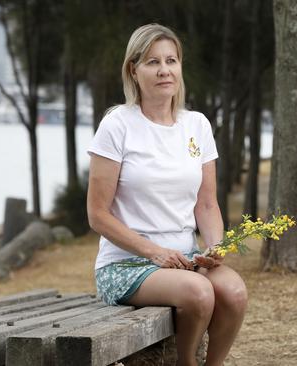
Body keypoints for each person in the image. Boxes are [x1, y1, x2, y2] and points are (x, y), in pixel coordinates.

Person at [86, 23, 247, 366]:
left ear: (180, 67)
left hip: (187, 259)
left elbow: (206, 203)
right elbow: (97, 214)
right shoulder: (118, 125)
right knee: (200, 293)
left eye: (171, 60)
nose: (164, 70)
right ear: (134, 69)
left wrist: (215, 248)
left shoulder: (197, 125)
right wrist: (154, 252)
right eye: (152, 62)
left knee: (233, 292)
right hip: (126, 265)